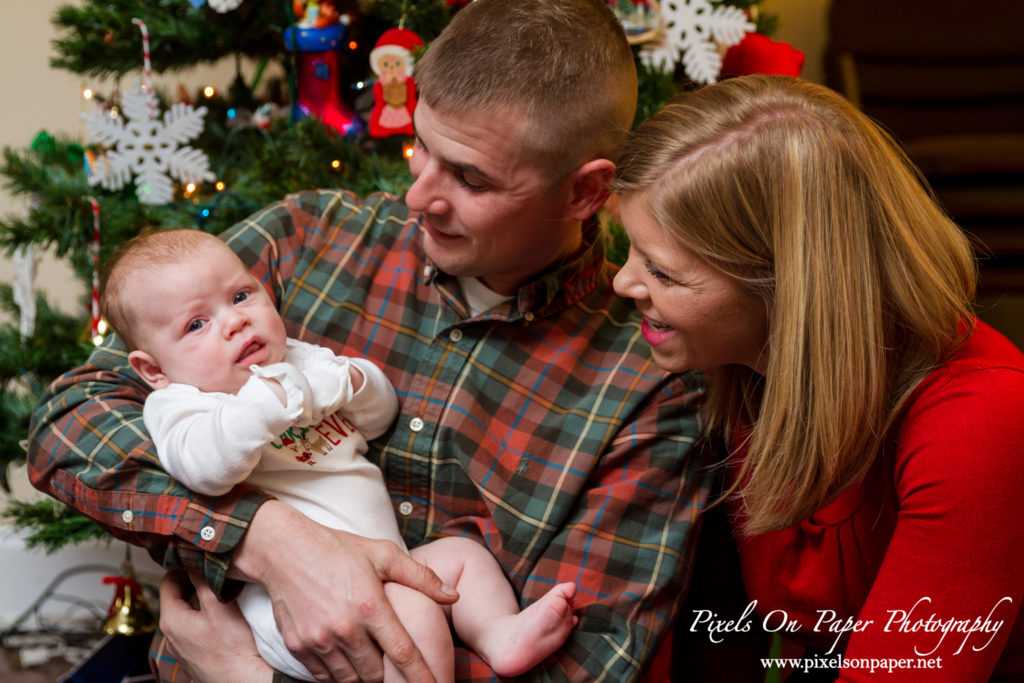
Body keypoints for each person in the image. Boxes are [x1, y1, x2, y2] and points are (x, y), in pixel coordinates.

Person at [27, 1, 714, 681]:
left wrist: (244, 675)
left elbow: (579, 667)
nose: (419, 196)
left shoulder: (649, 381)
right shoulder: (307, 237)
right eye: (422, 147)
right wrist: (265, 540)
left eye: (470, 177)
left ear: (584, 192)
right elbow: (71, 421)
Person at [610, 74, 1024, 681]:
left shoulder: (981, 423)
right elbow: (717, 636)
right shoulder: (741, 370)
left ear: (788, 290)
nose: (623, 283)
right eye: (630, 249)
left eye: (663, 273)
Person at [100, 228, 578, 681]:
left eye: (241, 296)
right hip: (294, 603)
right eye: (197, 324)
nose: (234, 321)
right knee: (415, 615)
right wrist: (260, 410)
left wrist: (352, 382)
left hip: (388, 565)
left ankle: (497, 632)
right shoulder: (182, 402)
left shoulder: (298, 360)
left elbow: (377, 418)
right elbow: (201, 469)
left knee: (462, 556)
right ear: (153, 369)